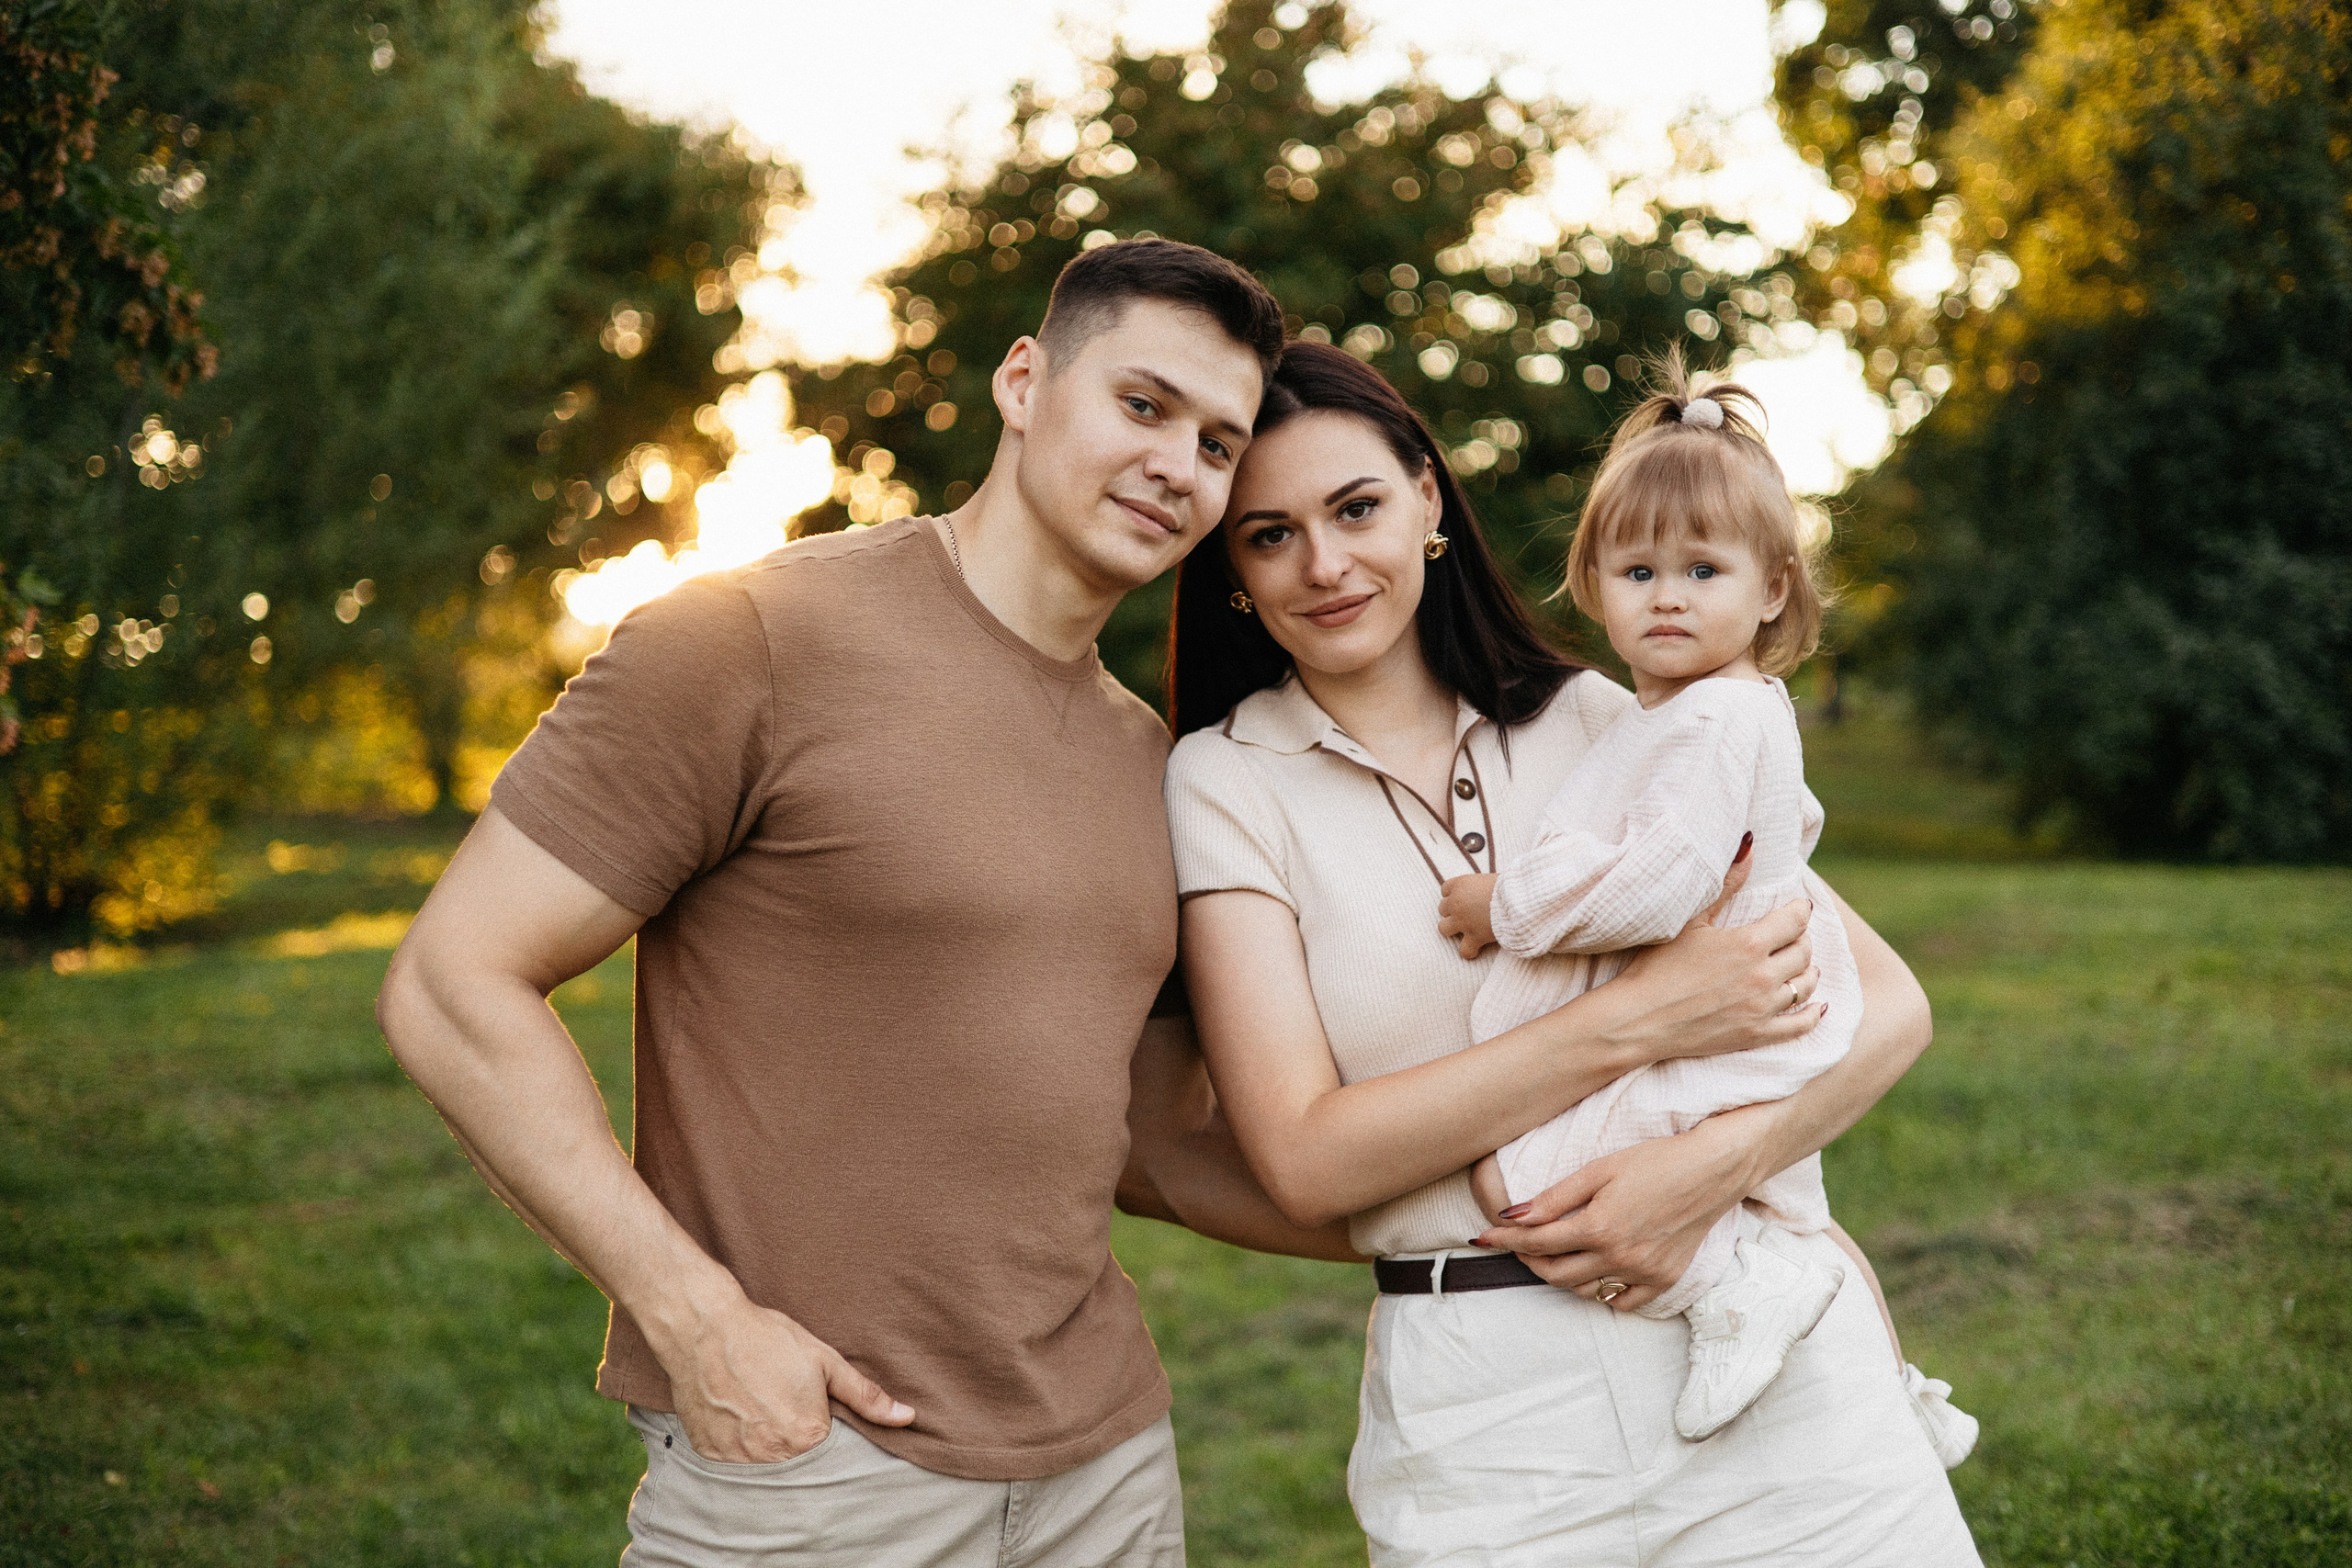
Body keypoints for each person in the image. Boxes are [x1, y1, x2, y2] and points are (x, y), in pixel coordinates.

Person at [377, 239, 1357, 1567]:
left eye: (1219, 441)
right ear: (1025, 381)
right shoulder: (753, 640)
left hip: (1110, 1470)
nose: (1178, 464)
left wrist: (1483, 1229)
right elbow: (453, 982)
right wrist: (699, 1319)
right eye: (1142, 405)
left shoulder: (1154, 760)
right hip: (818, 1471)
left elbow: (1148, 1138)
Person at [1165, 340, 1981, 1564]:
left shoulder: (1615, 713)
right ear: (1230, 564)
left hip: (1775, 1373)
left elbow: (1890, 1006)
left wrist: (1712, 1168)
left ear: (1429, 501)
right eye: (1270, 533)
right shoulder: (1225, 782)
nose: (1326, 563)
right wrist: (1641, 1019)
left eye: (1358, 507)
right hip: (1489, 1428)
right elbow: (1303, 1155)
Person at [1430, 353, 1975, 1457]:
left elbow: (1659, 881)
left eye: (1701, 570)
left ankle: (1734, 1296)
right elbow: (1782, 832)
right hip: (1749, 1015)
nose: (1667, 595)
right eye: (1635, 572)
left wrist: (1508, 907)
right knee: (1786, 1203)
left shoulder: (1709, 721)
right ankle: (1889, 1386)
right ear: (1591, 585)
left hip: (1723, 1034)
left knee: (1525, 1176)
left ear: (1772, 588)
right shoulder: (1729, 712)